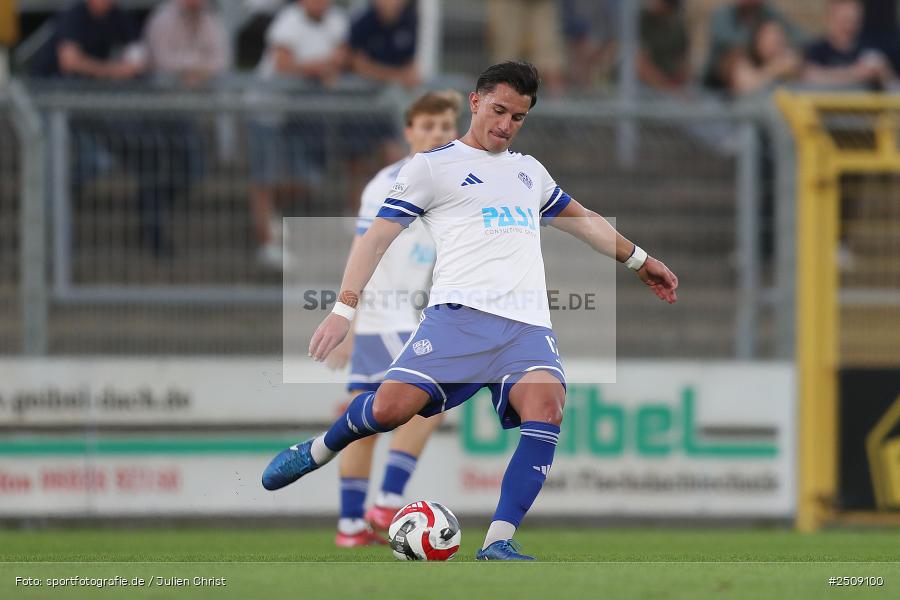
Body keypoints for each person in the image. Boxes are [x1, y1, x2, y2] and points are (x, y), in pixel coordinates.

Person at [262, 61, 678, 560]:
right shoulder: (432, 167)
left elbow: (585, 221)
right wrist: (343, 311)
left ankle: (499, 540)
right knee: (389, 410)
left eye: (518, 117)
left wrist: (640, 260)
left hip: (525, 327)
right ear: (476, 101)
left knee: (546, 406)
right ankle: (318, 450)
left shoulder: (529, 172)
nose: (505, 125)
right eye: (499, 110)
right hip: (457, 320)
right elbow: (375, 239)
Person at [325, 90, 462, 547]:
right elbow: (362, 249)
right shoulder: (388, 183)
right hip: (386, 317)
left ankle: (350, 526)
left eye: (445, 127)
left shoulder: (458, 182)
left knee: (362, 419)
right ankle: (385, 502)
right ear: (409, 132)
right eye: (427, 127)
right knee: (428, 407)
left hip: (414, 317)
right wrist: (346, 319)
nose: (437, 135)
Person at [249, 0, 349, 269]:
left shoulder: (337, 21)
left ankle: (270, 216)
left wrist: (323, 67)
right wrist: (317, 68)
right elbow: (282, 63)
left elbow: (340, 58)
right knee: (264, 178)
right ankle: (267, 242)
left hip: (300, 114)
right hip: (267, 110)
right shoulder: (288, 19)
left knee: (306, 179)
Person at [704, 0, 803, 91]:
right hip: (716, 89)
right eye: (769, 38)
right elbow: (746, 84)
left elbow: (799, 37)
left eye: (778, 39)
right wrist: (774, 69)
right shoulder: (724, 16)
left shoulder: (770, 13)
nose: (774, 43)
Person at [803, 0, 896, 90]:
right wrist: (857, 73)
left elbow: (893, 89)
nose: (849, 26)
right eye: (845, 20)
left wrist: (884, 73)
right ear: (830, 19)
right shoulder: (816, 51)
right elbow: (810, 76)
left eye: (855, 21)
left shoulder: (870, 50)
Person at [486, 1, 566, 94]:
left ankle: (556, 104)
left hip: (540, 5)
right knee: (506, 62)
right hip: (508, 5)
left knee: (551, 62)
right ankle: (505, 100)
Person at [143, 0, 229, 87]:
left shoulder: (212, 19)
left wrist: (195, 72)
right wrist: (198, 67)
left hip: (206, 89)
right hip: (164, 89)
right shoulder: (162, 18)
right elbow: (162, 60)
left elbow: (222, 61)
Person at [348, 0, 419, 89]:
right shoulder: (362, 23)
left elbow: (411, 65)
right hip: (362, 93)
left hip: (395, 93)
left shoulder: (410, 23)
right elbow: (357, 65)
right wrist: (397, 76)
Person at [726, 19, 802, 97]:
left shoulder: (788, 60)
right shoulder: (740, 58)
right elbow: (745, 87)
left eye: (778, 40)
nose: (774, 46)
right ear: (757, 39)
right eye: (769, 40)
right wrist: (775, 69)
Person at [638, 0, 690, 95]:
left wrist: (678, 89)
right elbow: (640, 64)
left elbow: (683, 64)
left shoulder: (678, 26)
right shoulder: (640, 21)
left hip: (670, 86)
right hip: (642, 87)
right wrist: (666, 88)